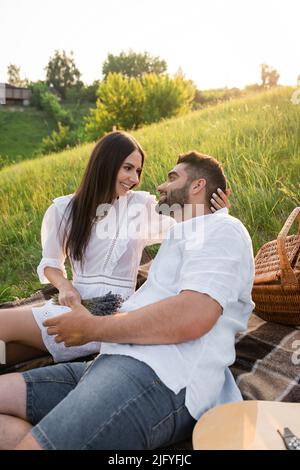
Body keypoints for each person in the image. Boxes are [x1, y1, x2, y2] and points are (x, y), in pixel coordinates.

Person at [0, 151, 248, 450]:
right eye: (128, 167)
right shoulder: (181, 233)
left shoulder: (222, 228)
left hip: (157, 375)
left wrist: (92, 328)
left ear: (197, 186)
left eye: (172, 177)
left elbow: (194, 314)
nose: (158, 185)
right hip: (108, 362)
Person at [0, 131, 229, 366]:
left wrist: (218, 215)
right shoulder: (63, 209)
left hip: (113, 316)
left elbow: (189, 225)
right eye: (128, 168)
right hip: (75, 305)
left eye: (138, 171)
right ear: (106, 164)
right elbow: (50, 264)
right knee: (8, 352)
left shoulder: (141, 207)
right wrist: (65, 287)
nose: (135, 179)